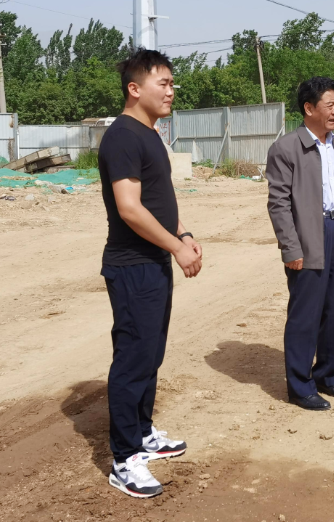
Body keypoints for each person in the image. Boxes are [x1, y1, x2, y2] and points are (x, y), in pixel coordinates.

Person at [100, 48, 202, 499]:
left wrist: (184, 234)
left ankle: (142, 433)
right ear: (134, 88)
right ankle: (124, 459)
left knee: (150, 354)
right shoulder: (123, 136)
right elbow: (129, 208)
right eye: (163, 83)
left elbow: (159, 201)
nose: (171, 91)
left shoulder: (150, 135)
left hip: (153, 261)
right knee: (132, 360)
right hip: (132, 266)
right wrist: (176, 247)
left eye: (172, 83)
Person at [266, 77, 334, 411]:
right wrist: (290, 248)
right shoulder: (286, 148)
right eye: (330, 105)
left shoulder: (333, 143)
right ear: (309, 108)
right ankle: (299, 386)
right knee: (305, 315)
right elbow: (278, 204)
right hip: (309, 235)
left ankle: (326, 375)